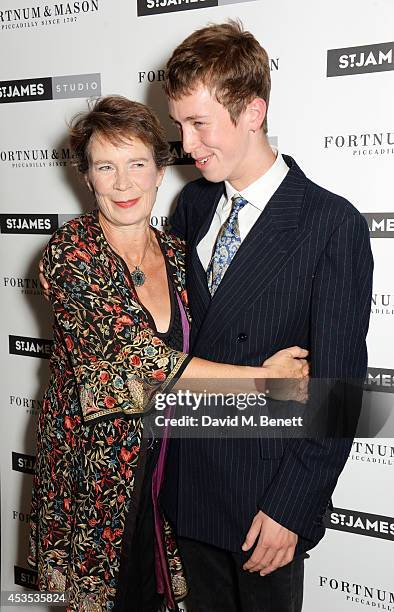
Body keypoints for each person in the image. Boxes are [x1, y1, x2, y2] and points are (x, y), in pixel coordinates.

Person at [30, 95, 309, 612]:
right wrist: (263, 380)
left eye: (137, 164)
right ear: (86, 178)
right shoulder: (71, 255)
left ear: (160, 171)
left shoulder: (179, 253)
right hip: (95, 488)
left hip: (170, 480)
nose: (122, 182)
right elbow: (143, 365)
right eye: (105, 167)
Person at [157, 20, 374, 612]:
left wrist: (291, 508)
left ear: (252, 112)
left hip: (264, 503)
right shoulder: (191, 204)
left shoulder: (332, 225)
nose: (187, 143)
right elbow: (168, 348)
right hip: (186, 484)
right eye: (180, 124)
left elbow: (341, 393)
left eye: (199, 123)